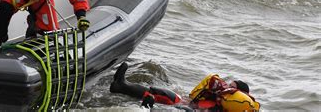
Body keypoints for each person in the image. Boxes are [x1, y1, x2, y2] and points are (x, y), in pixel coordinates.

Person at [110, 62, 260, 111]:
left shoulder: (231, 106)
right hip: (183, 105)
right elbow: (197, 93)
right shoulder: (217, 96)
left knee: (165, 97)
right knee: (162, 93)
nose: (228, 89)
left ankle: (143, 104)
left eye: (232, 88)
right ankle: (121, 86)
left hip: (184, 109)